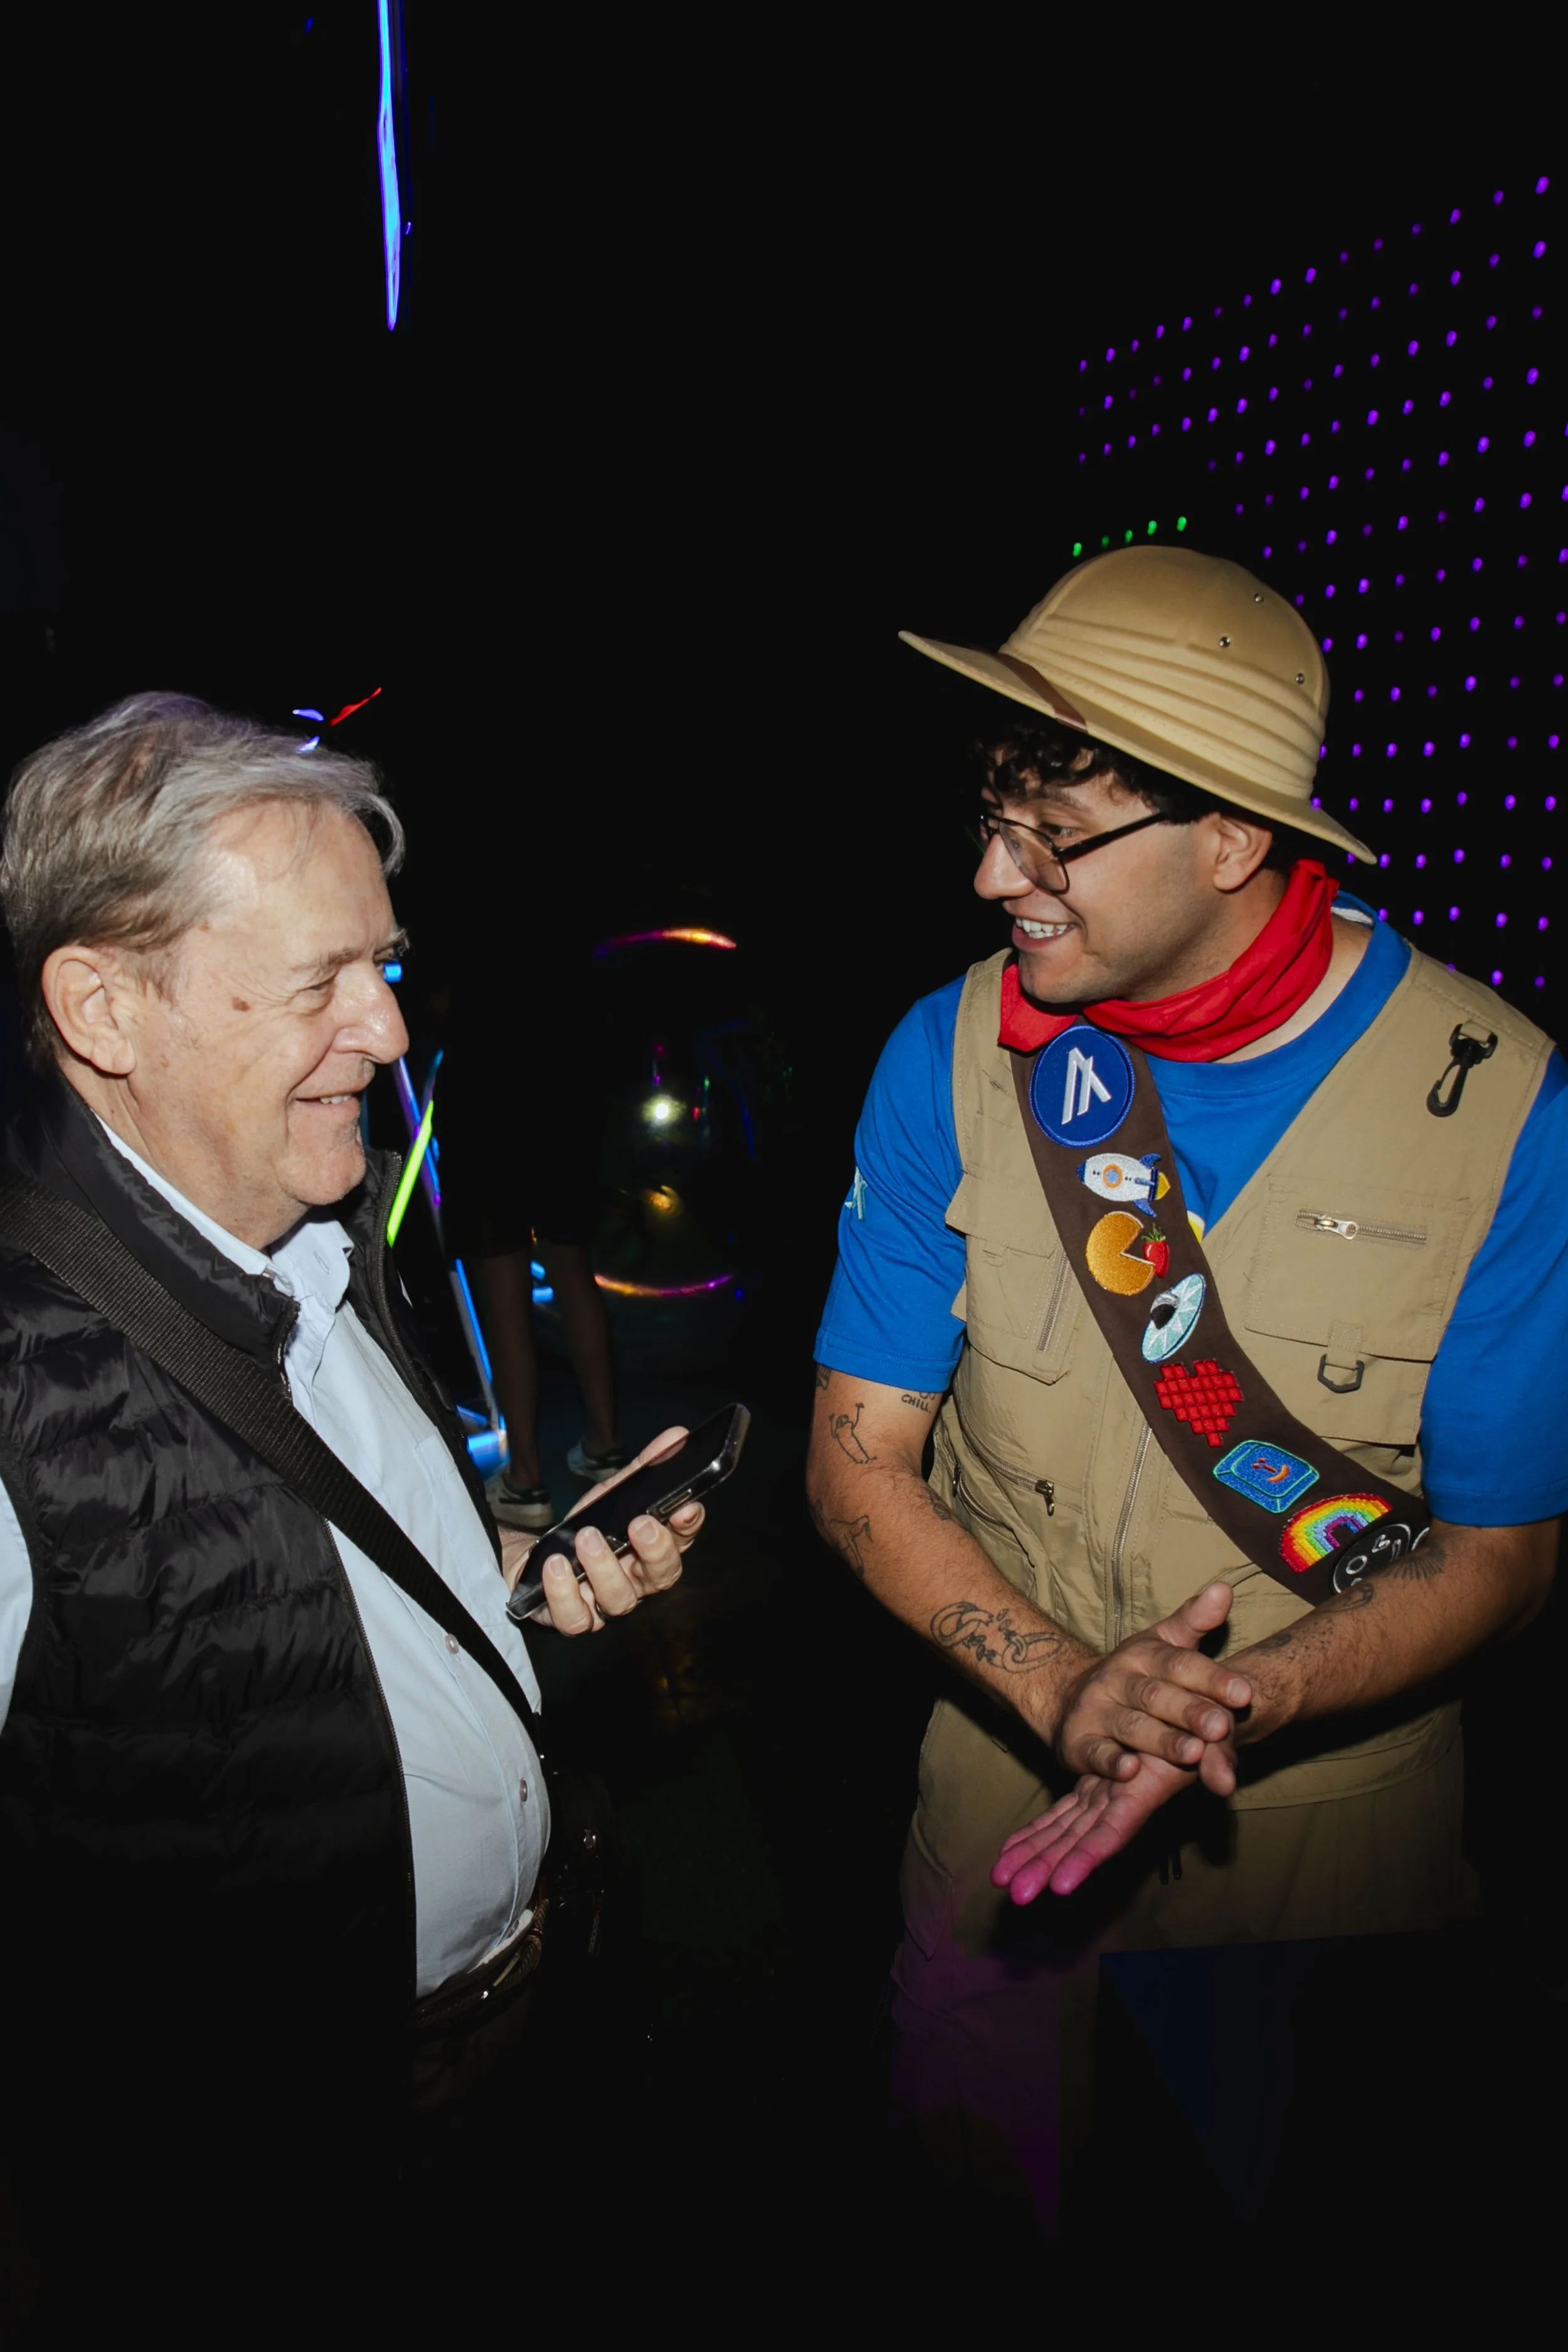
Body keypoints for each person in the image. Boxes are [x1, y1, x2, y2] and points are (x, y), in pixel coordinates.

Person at [806, 545, 1565, 2234]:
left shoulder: (1504, 1106)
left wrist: (1241, 1706)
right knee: (972, 2219)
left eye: (1051, 833)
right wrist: (1063, 1686)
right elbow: (858, 1459)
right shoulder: (943, 1053)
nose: (990, 869)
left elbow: (1505, 1558)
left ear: (1227, 835)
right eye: (992, 812)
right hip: (1005, 1782)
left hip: (1318, 1837)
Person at [0, 694, 702, 2310]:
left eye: (380, 964)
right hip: (288, 2187)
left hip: (538, 2043)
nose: (387, 1029)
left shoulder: (316, 1219)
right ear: (103, 1005)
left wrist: (511, 1556)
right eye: (320, 980)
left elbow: (292, 1549)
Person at [433, 926, 629, 1531]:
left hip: (489, 1093)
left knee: (505, 1297)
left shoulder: (460, 900)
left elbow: (439, 1003)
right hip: (563, 1090)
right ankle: (605, 1445)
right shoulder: (559, 890)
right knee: (575, 1274)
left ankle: (525, 1479)